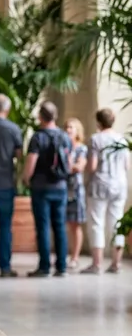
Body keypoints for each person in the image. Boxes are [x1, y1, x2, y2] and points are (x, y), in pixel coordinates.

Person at [22, 101, 72, 277]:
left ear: (40, 117)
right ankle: (62, 267)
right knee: (60, 226)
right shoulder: (65, 137)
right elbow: (69, 163)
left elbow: (31, 162)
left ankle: (44, 267)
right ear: (55, 116)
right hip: (60, 186)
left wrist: (26, 178)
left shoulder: (38, 137)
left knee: (43, 227)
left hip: (41, 187)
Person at [81, 108, 130, 274]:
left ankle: (97, 264)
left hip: (99, 185)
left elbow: (92, 166)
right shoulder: (122, 140)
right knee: (117, 223)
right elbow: (126, 166)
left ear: (98, 122)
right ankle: (116, 263)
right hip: (119, 184)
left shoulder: (96, 139)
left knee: (96, 223)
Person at [0, 94, 23, 278]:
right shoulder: (13, 129)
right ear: (7, 110)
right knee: (5, 226)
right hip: (5, 183)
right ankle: (5, 267)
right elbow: (19, 155)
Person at [64, 117, 88, 270]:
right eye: (66, 127)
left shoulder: (82, 148)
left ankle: (75, 257)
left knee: (75, 225)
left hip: (76, 190)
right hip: (63, 189)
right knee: (64, 224)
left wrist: (67, 163)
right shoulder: (64, 146)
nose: (68, 130)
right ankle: (64, 255)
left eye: (71, 127)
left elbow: (79, 167)